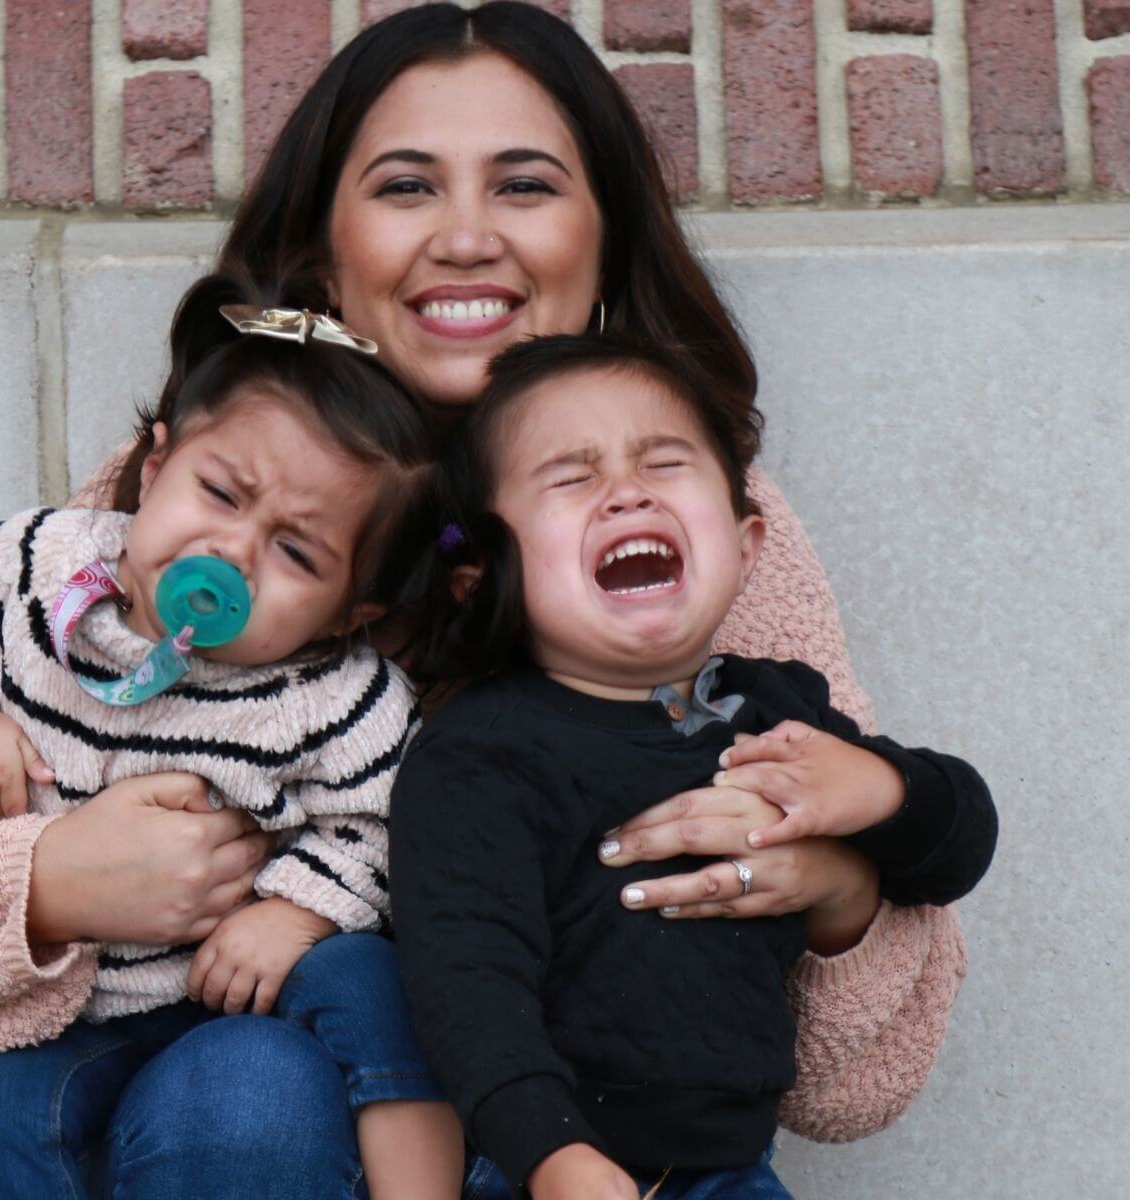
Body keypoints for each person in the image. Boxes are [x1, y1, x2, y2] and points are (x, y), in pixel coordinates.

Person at [0, 4, 985, 1194]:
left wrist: (836, 890)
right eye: (405, 188)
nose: (467, 237)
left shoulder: (690, 534)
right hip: (245, 1134)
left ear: (604, 243)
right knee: (239, 1091)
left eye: (525, 186)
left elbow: (859, 1087)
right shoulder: (165, 528)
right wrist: (52, 879)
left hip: (608, 1153)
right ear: (326, 251)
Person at [0, 271, 462, 1199]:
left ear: (350, 612)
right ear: (158, 463)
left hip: (225, 1003)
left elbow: (385, 826)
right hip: (69, 1015)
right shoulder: (43, 563)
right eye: (220, 492)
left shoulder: (331, 696)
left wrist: (294, 911)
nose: (234, 552)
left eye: (298, 553)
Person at [392, 335, 997, 1200]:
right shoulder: (481, 754)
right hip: (540, 1171)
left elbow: (960, 846)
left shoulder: (782, 717)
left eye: (665, 463)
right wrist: (550, 1152)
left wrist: (882, 791)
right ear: (479, 576)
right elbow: (467, 988)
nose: (625, 491)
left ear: (747, 546)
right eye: (570, 477)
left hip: (734, 1173)